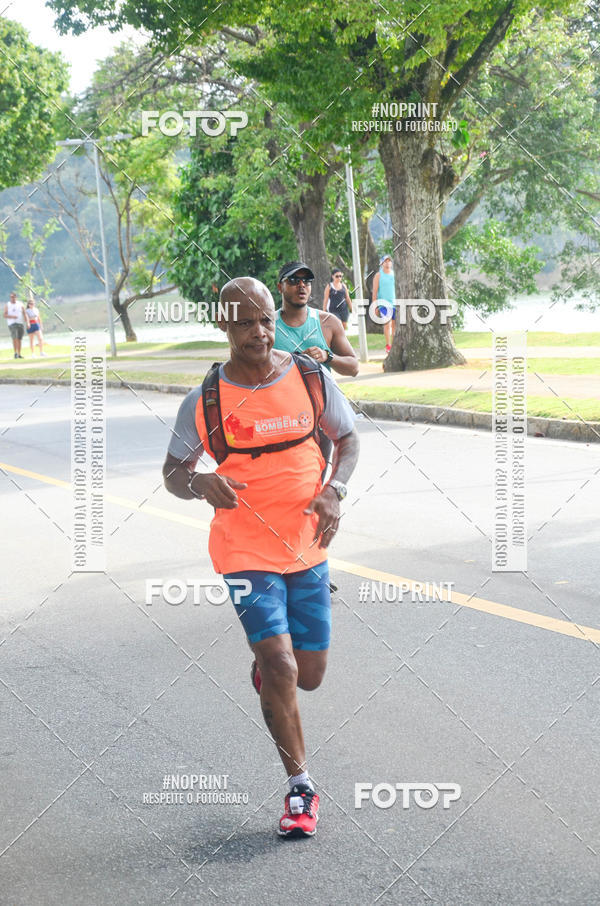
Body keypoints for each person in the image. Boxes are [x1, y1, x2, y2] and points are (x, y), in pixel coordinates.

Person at [163, 277, 359, 838]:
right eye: (245, 322)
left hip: (306, 544)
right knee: (282, 666)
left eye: (267, 320)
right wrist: (202, 484)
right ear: (222, 325)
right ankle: (301, 789)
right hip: (244, 548)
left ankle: (271, 672)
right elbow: (174, 473)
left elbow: (350, 441)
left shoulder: (308, 376)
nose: (260, 332)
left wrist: (334, 491)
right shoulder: (206, 399)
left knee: (311, 676)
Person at [274, 262, 359, 378]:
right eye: (294, 280)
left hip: (320, 395)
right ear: (280, 287)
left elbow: (354, 368)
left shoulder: (329, 322)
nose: (301, 285)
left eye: (306, 281)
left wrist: (327, 356)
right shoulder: (266, 325)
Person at [372, 254, 396, 354]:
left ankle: (394, 346)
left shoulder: (394, 274)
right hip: (384, 304)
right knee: (387, 324)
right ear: (382, 263)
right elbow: (375, 291)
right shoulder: (378, 275)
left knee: (394, 326)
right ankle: (388, 345)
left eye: (389, 261)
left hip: (395, 303)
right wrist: (374, 306)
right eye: (385, 261)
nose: (387, 263)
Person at [4, 292, 26, 359]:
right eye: (11, 297)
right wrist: (12, 316)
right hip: (12, 324)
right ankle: (15, 353)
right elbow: (5, 315)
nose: (12, 298)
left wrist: (27, 321)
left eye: (13, 297)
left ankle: (19, 354)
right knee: (15, 338)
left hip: (20, 323)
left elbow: (24, 313)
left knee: (19, 339)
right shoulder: (7, 305)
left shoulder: (20, 304)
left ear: (16, 297)